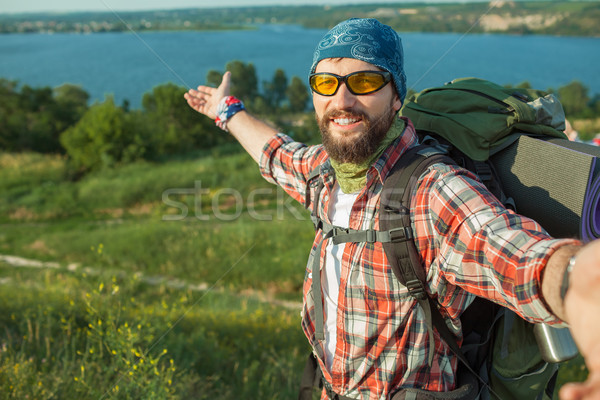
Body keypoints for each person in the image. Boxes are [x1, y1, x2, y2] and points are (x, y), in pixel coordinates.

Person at [185, 18, 600, 400]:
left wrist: (581, 281)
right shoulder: (327, 174)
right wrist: (227, 110)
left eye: (364, 81)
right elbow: (278, 154)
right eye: (325, 83)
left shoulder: (433, 191)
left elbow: (518, 256)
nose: (341, 99)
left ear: (396, 95)